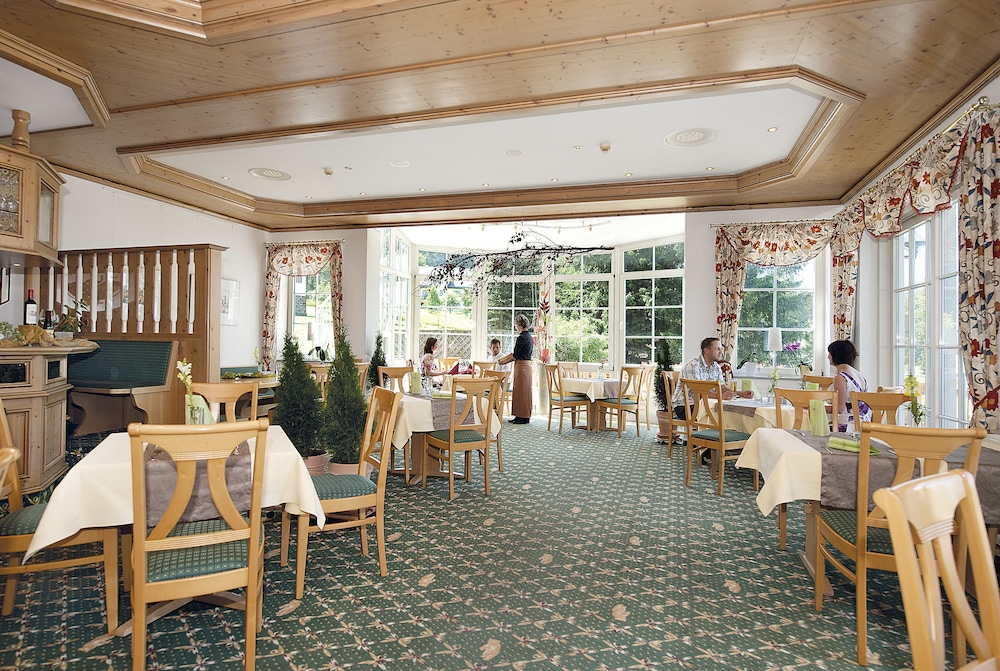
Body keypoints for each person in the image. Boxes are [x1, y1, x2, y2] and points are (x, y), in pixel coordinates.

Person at [671, 336, 752, 421]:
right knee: (724, 414)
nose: (721, 352)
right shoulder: (693, 366)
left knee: (732, 412)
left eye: (721, 349)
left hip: (704, 404)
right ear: (706, 350)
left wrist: (740, 393)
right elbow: (699, 393)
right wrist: (720, 396)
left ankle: (723, 429)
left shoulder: (716, 366)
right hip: (685, 406)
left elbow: (722, 387)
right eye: (717, 349)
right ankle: (717, 429)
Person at [828, 339, 871, 432]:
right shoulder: (860, 376)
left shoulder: (840, 377)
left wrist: (814, 407)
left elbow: (839, 409)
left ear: (836, 355)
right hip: (864, 425)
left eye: (830, 353)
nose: (828, 356)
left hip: (848, 427)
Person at [504, 314, 533, 424]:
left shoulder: (521, 338)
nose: (516, 327)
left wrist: (503, 361)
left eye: (516, 325)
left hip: (521, 366)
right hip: (527, 366)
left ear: (519, 325)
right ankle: (521, 415)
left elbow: (515, 355)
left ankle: (522, 417)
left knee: (520, 392)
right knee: (525, 392)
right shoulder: (529, 337)